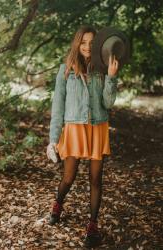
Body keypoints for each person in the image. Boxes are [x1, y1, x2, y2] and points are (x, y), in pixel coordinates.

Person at [46, 25, 118, 248]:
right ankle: (58, 204)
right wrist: (53, 139)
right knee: (69, 177)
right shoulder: (65, 70)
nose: (87, 47)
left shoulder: (103, 68)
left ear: (97, 45)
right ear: (77, 43)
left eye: (91, 43)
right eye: (83, 42)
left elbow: (108, 103)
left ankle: (92, 227)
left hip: (98, 127)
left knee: (96, 179)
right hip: (74, 128)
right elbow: (58, 107)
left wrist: (112, 78)